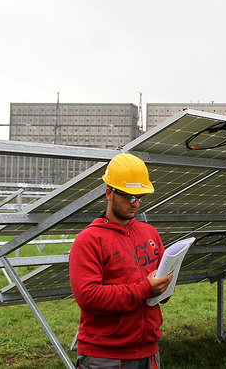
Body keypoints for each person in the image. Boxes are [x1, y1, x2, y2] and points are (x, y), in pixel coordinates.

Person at [69, 153, 173, 369]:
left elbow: (161, 289)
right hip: (104, 356)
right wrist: (144, 289)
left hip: (149, 350)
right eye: (128, 196)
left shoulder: (150, 233)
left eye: (140, 196)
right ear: (109, 193)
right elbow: (88, 296)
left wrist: (165, 287)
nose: (135, 203)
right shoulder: (89, 240)